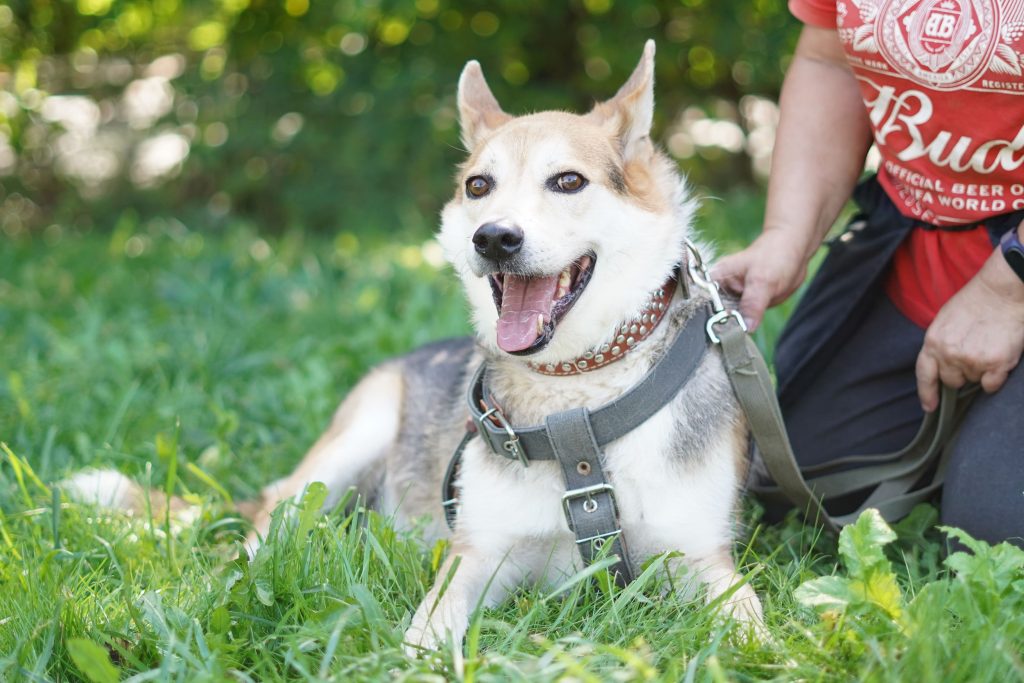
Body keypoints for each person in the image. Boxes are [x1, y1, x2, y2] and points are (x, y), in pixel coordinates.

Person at [713, 0, 1024, 545]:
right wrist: (788, 234)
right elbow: (829, 60)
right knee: (807, 481)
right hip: (918, 245)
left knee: (997, 539)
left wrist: (1010, 287)